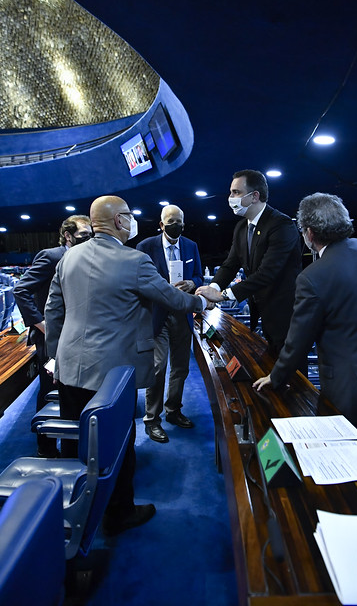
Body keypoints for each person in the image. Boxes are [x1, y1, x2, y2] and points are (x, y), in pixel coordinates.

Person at [45, 195, 207, 536]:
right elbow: (172, 298)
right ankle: (119, 513)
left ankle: (77, 510)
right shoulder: (134, 260)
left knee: (78, 441)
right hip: (112, 375)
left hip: (69, 368)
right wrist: (202, 301)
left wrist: (56, 358)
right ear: (120, 221)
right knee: (119, 444)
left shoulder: (68, 257)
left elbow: (53, 312)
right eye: (129, 216)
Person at [253, 192, 357, 451]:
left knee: (351, 461)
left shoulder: (312, 277)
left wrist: (277, 376)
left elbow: (299, 340)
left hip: (349, 392)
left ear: (309, 233)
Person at [196, 169, 301, 354]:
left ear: (255, 196)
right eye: (231, 192)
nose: (230, 198)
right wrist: (212, 288)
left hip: (286, 316)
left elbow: (267, 273)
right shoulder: (241, 227)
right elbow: (230, 265)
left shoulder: (281, 224)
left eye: (236, 192)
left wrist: (223, 295)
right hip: (261, 313)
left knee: (291, 370)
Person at [13, 214, 92, 457]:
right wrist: (42, 324)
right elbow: (21, 290)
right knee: (50, 391)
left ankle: (71, 445)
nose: (88, 239)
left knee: (71, 393)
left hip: (76, 337)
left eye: (91, 235)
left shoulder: (87, 257)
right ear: (67, 235)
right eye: (83, 235)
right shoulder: (51, 256)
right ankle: (45, 448)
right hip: (51, 338)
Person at [136, 205, 203, 443]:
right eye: (171, 221)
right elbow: (139, 280)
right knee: (158, 367)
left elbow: (199, 276)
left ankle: (173, 410)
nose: (176, 225)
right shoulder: (145, 247)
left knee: (181, 368)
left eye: (179, 221)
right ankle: (152, 419)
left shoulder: (191, 246)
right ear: (162, 224)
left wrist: (192, 284)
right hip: (157, 315)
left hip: (182, 315)